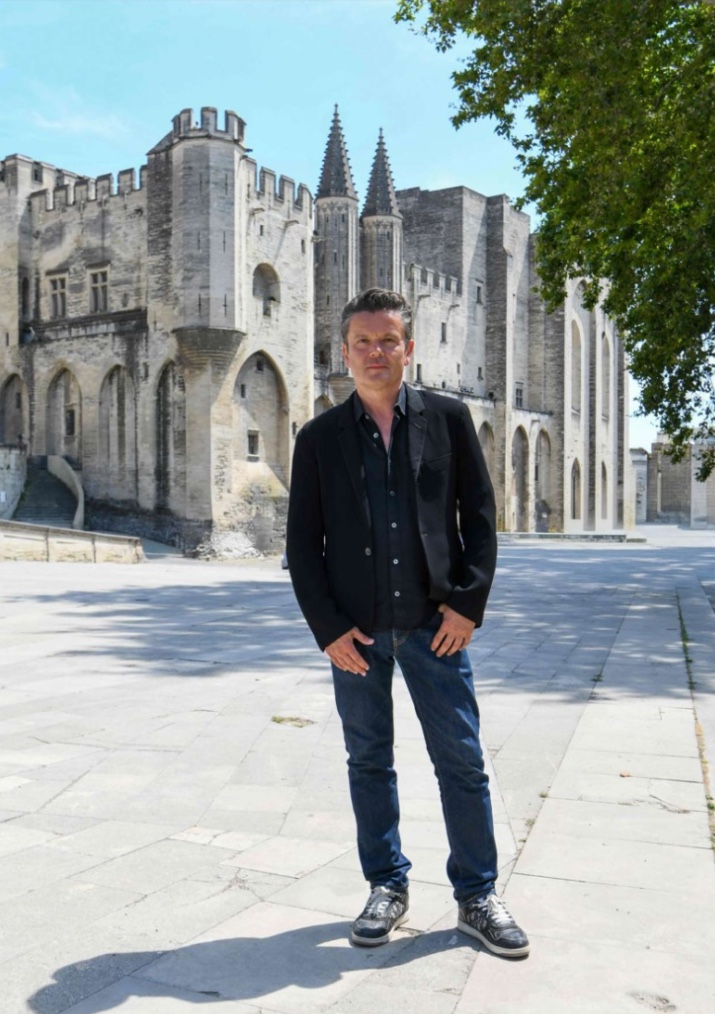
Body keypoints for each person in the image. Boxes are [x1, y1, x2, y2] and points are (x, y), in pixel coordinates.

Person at [286, 288, 529, 958]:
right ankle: (386, 885)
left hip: (434, 626)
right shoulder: (318, 439)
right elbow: (303, 545)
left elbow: (479, 520)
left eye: (387, 340)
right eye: (362, 342)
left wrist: (466, 605)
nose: (374, 352)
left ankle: (477, 894)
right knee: (367, 760)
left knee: (461, 760)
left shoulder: (448, 421)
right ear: (344, 353)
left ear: (408, 348)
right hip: (356, 635)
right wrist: (327, 630)